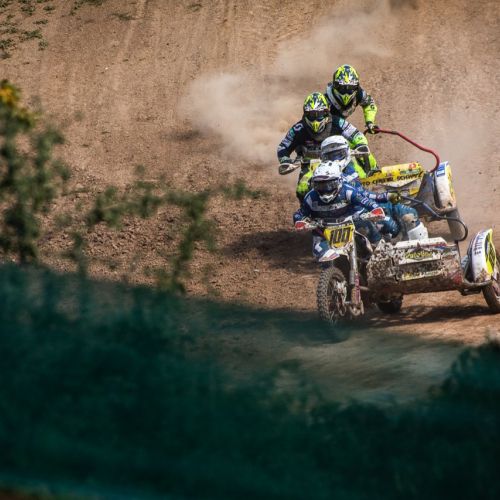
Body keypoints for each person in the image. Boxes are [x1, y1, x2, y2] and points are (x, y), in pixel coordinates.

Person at [293, 162, 427, 260]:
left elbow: (367, 202)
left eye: (330, 184)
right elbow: (300, 213)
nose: (326, 189)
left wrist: (375, 210)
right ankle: (332, 276)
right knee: (320, 253)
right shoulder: (311, 197)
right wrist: (299, 221)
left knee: (371, 235)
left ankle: (382, 253)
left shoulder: (348, 191)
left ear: (339, 181)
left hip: (353, 224)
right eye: (320, 185)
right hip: (325, 231)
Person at [277, 91, 374, 200]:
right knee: (302, 189)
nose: (315, 120)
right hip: (311, 166)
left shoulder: (337, 122)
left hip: (340, 160)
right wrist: (285, 159)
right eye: (311, 115)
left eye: (319, 115)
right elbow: (283, 146)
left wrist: (360, 144)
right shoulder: (298, 129)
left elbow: (356, 134)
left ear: (326, 112)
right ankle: (308, 209)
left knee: (360, 177)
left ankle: (369, 198)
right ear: (305, 113)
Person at [325, 64, 378, 133]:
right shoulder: (326, 99)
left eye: (350, 88)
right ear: (335, 85)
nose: (346, 93)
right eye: (342, 88)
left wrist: (370, 122)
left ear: (356, 87)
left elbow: (369, 104)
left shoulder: (359, 94)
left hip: (340, 126)